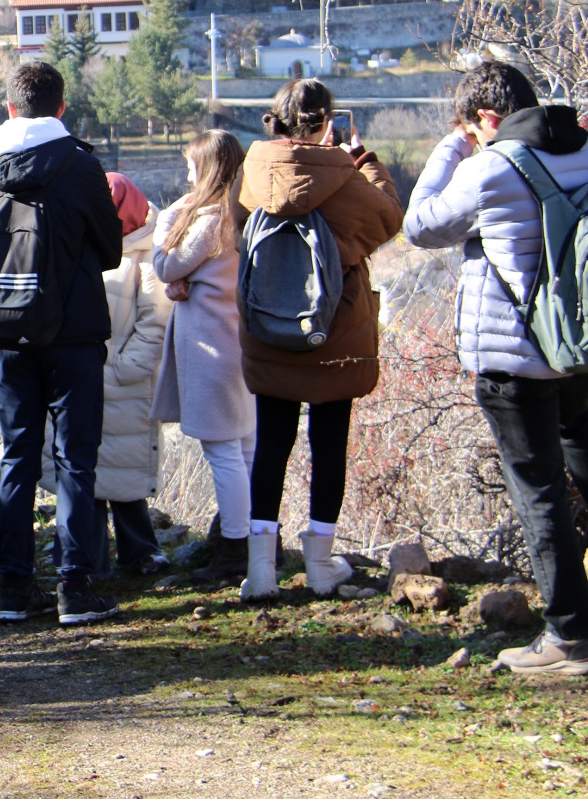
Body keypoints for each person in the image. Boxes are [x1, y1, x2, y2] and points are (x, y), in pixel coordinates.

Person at [405, 61, 588, 673]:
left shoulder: (491, 166)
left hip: (519, 363)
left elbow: (421, 226)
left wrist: (448, 150)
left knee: (541, 497)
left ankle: (567, 639)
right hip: (583, 353)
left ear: (485, 119)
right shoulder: (585, 149)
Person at [0, 61, 123, 625]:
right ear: (61, 108)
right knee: (75, 461)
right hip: (75, 330)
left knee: (15, 459)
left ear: (9, 108)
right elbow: (110, 250)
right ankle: (73, 588)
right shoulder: (81, 166)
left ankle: (15, 589)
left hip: (7, 329)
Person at [238, 81, 402, 599]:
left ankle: (261, 570)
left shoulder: (254, 171)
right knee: (328, 444)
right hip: (332, 330)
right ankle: (321, 566)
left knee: (271, 444)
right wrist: (364, 160)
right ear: (329, 123)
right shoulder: (344, 176)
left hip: (267, 325)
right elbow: (388, 217)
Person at [45, 173, 172, 577]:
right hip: (81, 372)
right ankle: (85, 557)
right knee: (85, 468)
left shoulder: (147, 255)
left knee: (122, 469)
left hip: (121, 380)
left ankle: (137, 550)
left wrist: (121, 370)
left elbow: (156, 323)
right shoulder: (81, 240)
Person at [151, 130, 256, 585]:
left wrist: (174, 214)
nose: (187, 174)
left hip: (212, 349)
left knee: (223, 453)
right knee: (246, 450)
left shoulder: (209, 218)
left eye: (192, 166)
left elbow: (165, 264)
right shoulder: (244, 214)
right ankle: (250, 543)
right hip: (241, 345)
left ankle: (235, 551)